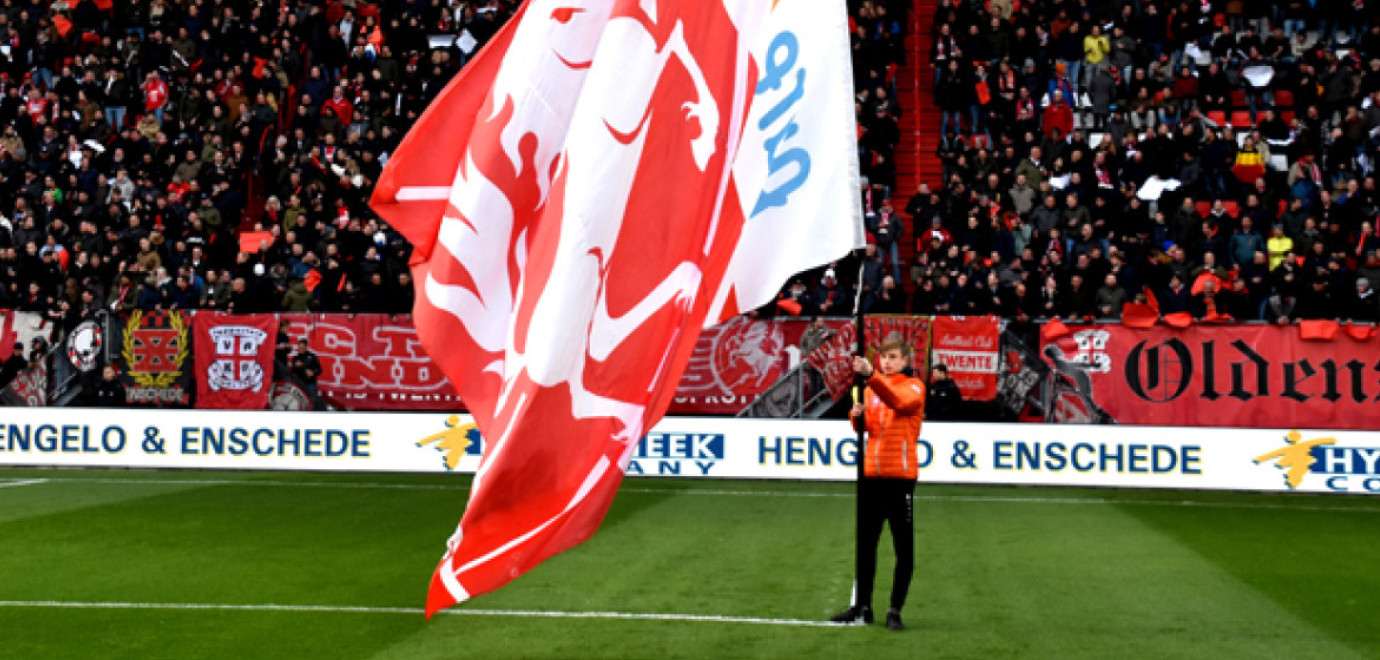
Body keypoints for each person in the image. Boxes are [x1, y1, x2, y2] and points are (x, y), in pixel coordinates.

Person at [831, 334, 926, 631]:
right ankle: (863, 605)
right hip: (872, 476)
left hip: (899, 479)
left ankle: (895, 609)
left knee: (903, 550)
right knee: (865, 546)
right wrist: (856, 417)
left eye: (893, 357)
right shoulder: (873, 391)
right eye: (884, 357)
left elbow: (899, 403)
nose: (887, 362)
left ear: (906, 360)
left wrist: (871, 376)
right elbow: (871, 428)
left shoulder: (914, 387)